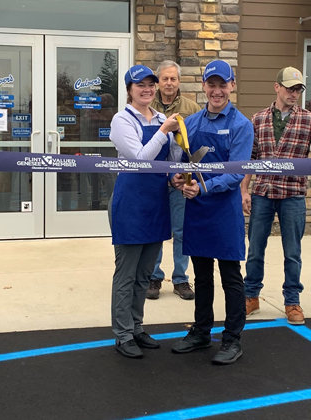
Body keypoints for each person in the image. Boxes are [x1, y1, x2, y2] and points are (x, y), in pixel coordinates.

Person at [241, 67, 311, 325]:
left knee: (293, 252)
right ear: (276, 87)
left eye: (298, 89)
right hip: (263, 192)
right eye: (289, 88)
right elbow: (250, 158)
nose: (294, 93)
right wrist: (244, 189)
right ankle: (251, 296)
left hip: (293, 194)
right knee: (255, 249)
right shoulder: (258, 119)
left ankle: (292, 301)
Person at [170, 60, 254, 365]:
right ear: (204, 86)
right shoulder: (190, 124)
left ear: (232, 86)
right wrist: (177, 180)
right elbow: (177, 162)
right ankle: (201, 331)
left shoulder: (242, 125)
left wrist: (203, 188)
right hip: (197, 210)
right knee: (202, 276)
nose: (217, 91)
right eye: (211, 84)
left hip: (225, 211)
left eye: (223, 84)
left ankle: (232, 339)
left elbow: (237, 172)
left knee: (231, 278)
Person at [108, 65, 181, 359]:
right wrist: (164, 132)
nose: (148, 89)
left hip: (156, 202)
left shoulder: (163, 118)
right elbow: (141, 159)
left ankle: (137, 326)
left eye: (151, 84)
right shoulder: (121, 120)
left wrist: (178, 164)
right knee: (126, 274)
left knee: (144, 274)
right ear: (129, 90)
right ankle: (122, 334)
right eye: (141, 85)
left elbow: (171, 157)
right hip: (131, 203)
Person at [147, 60, 201, 300]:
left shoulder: (192, 108)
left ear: (179, 81)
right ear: (158, 81)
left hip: (181, 179)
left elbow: (198, 141)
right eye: (165, 79)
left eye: (173, 79)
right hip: (155, 178)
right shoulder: (146, 105)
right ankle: (154, 277)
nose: (169, 83)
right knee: (156, 230)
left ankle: (181, 279)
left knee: (181, 230)